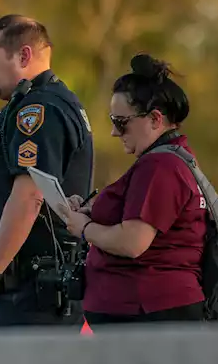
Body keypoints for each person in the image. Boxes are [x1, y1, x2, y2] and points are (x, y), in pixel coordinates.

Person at [0, 15, 95, 327]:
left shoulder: (40, 110)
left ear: (23, 55)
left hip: (32, 292)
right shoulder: (25, 106)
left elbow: (29, 195)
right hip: (23, 288)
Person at [58, 55, 206, 325]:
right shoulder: (167, 160)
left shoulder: (160, 166)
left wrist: (84, 228)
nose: (115, 132)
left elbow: (132, 242)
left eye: (120, 121)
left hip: (150, 314)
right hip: (146, 312)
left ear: (155, 119)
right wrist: (93, 212)